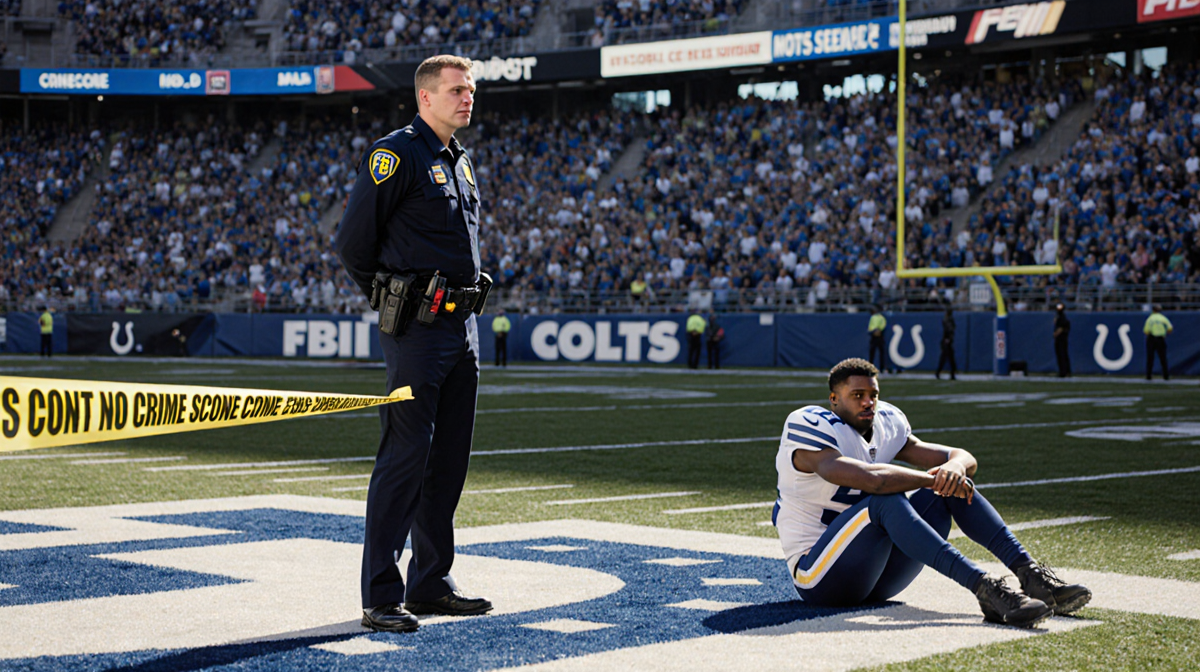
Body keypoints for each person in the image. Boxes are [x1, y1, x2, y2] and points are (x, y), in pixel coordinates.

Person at [336, 54, 492, 634]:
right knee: (404, 460)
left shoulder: (462, 160)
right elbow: (353, 244)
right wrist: (395, 298)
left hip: (463, 329)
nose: (466, 98)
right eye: (456, 90)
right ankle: (381, 592)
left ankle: (430, 583)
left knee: (447, 463)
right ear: (425, 97)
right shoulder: (395, 153)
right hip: (417, 330)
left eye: (470, 90)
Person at [773, 358, 1090, 627]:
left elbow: (961, 456)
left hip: (879, 576)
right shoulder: (809, 424)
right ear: (834, 399)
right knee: (887, 498)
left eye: (873, 394)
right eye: (857, 395)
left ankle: (1032, 576)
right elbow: (873, 481)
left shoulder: (886, 423)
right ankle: (986, 589)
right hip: (819, 575)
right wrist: (932, 479)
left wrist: (954, 469)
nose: (868, 402)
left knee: (948, 489)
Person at [1143, 305, 1173, 381]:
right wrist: (1165, 334)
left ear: (1153, 310)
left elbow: (1146, 330)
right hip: (1160, 339)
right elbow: (1170, 328)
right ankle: (1166, 375)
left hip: (1152, 339)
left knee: (1150, 358)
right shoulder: (1163, 318)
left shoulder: (1150, 319)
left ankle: (1148, 375)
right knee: (1163, 358)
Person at [935, 307, 957, 380]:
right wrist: (948, 339)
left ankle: (949, 373)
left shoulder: (947, 320)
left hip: (946, 341)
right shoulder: (948, 320)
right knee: (948, 358)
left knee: (946, 358)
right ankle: (951, 374)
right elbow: (949, 330)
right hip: (947, 341)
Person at [867, 306, 889, 373]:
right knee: (872, 353)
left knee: (881, 353)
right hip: (874, 336)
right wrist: (874, 331)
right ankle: (870, 368)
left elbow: (882, 326)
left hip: (879, 337)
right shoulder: (873, 317)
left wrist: (878, 330)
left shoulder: (880, 318)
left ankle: (882, 368)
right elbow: (870, 327)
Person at [1053, 303, 1071, 378]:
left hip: (1061, 339)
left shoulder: (1062, 318)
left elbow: (1062, 327)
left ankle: (1064, 372)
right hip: (1060, 339)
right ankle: (1064, 371)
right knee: (1061, 355)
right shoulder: (1059, 317)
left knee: (1062, 355)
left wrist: (1056, 333)